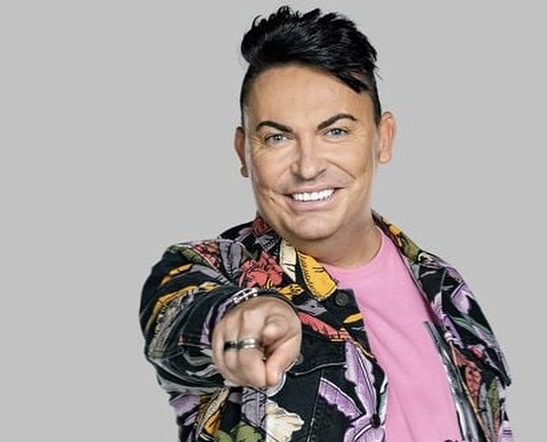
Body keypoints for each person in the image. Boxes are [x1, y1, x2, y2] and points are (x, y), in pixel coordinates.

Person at [139, 5, 513, 442]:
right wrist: (242, 317)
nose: (308, 166)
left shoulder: (445, 286)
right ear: (244, 152)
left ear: (383, 138)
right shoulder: (204, 269)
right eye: (277, 137)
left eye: (335, 131)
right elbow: (178, 323)